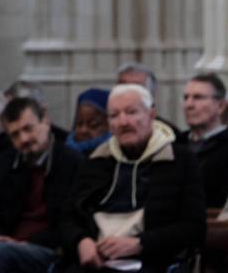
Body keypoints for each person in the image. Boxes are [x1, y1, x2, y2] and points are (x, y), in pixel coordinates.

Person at [60, 84, 205, 272]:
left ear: (151, 115)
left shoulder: (180, 160)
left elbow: (194, 229)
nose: (123, 122)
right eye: (114, 115)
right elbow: (66, 218)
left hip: (153, 262)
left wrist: (139, 244)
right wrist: (80, 241)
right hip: (95, 263)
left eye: (131, 112)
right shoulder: (96, 160)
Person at [0, 97, 81, 273]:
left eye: (28, 129)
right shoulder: (3, 165)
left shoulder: (72, 163)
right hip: (6, 248)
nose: (23, 139)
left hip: (53, 251)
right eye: (15, 135)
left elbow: (72, 223)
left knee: (0, 254)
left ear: (45, 120)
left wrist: (28, 243)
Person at [178, 73, 228, 208]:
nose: (189, 104)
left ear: (220, 106)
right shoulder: (175, 144)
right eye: (186, 97)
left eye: (198, 97)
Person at [115, 61, 180, 134]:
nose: (126, 92)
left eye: (135, 87)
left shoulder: (168, 133)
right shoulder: (105, 128)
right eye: (122, 85)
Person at [65, 88, 111, 156]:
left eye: (93, 125)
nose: (83, 130)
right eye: (79, 124)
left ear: (109, 125)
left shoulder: (113, 158)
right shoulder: (64, 155)